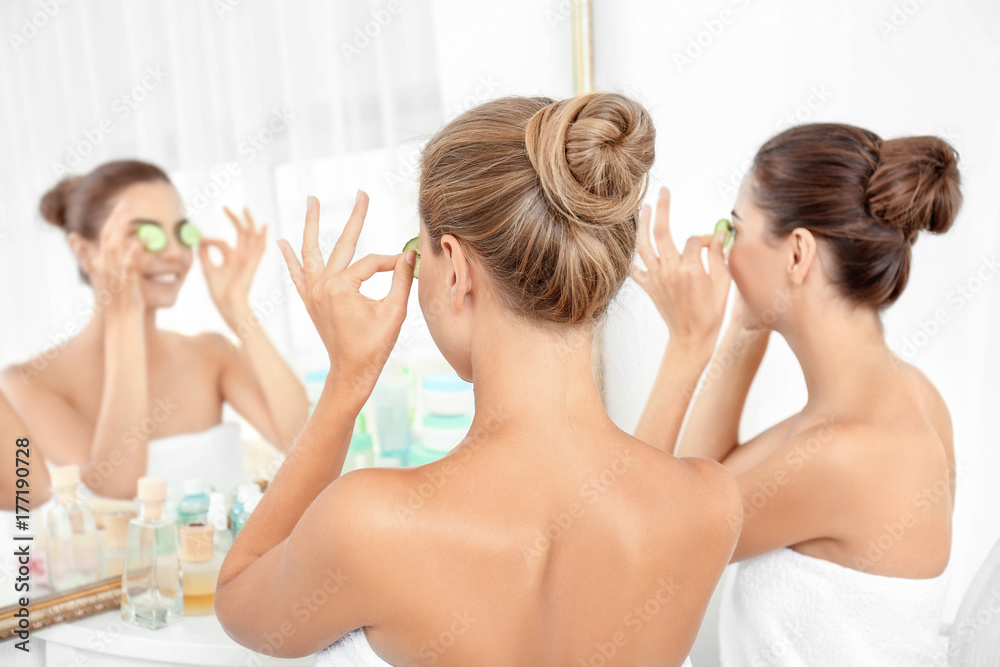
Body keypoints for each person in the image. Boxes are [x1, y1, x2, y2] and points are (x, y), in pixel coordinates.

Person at [214, 93, 741, 666]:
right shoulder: (708, 505)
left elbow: (239, 598)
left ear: (456, 268)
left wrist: (348, 383)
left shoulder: (369, 523)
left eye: (422, 257)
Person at [634, 123, 961, 665]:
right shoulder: (906, 397)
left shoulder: (846, 457)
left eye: (736, 230)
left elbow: (636, 548)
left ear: (797, 253)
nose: (726, 250)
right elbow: (703, 478)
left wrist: (688, 343)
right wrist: (743, 330)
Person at [0, 160, 309, 499]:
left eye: (181, 232)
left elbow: (304, 442)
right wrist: (124, 318)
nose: (175, 252)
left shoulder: (212, 353)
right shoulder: (28, 382)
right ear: (85, 252)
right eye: (146, 235)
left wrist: (237, 306)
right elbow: (117, 489)